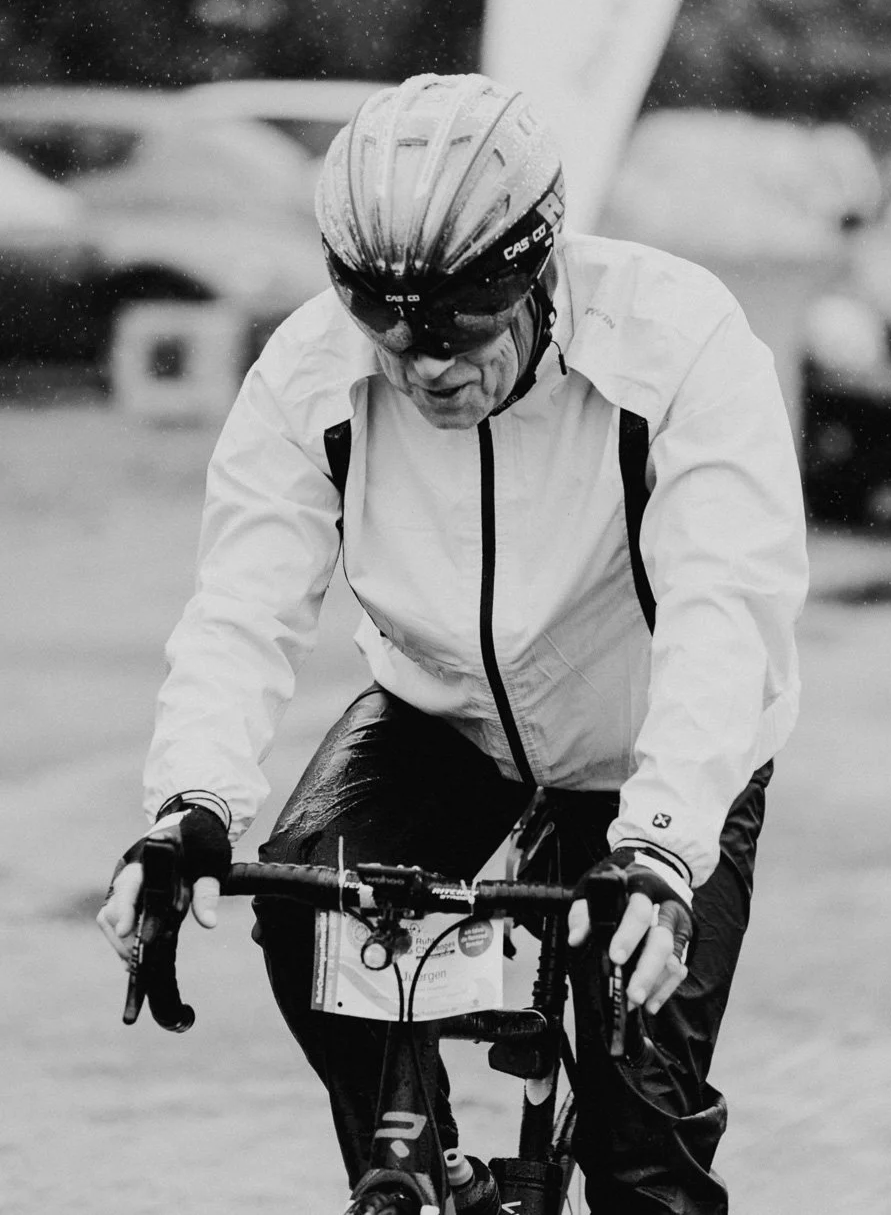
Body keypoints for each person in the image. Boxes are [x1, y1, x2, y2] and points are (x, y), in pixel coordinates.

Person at [98, 72, 808, 1213]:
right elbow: (241, 607)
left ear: (539, 270)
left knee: (640, 1132)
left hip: (653, 739)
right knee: (307, 905)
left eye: (461, 324)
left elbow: (726, 606)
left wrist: (665, 848)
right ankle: (425, 1177)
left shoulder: (678, 339)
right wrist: (188, 810)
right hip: (445, 720)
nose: (425, 363)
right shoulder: (307, 373)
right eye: (386, 324)